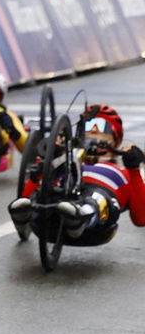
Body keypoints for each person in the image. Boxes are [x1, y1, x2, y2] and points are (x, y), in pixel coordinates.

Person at [9, 104, 145, 245]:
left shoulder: (123, 172)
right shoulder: (66, 161)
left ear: (114, 140)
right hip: (54, 214)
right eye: (89, 129)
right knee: (43, 192)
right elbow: (28, 191)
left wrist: (134, 169)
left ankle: (82, 217)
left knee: (97, 197)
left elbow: (141, 219)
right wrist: (48, 161)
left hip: (96, 225)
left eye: (101, 130)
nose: (93, 135)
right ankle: (25, 219)